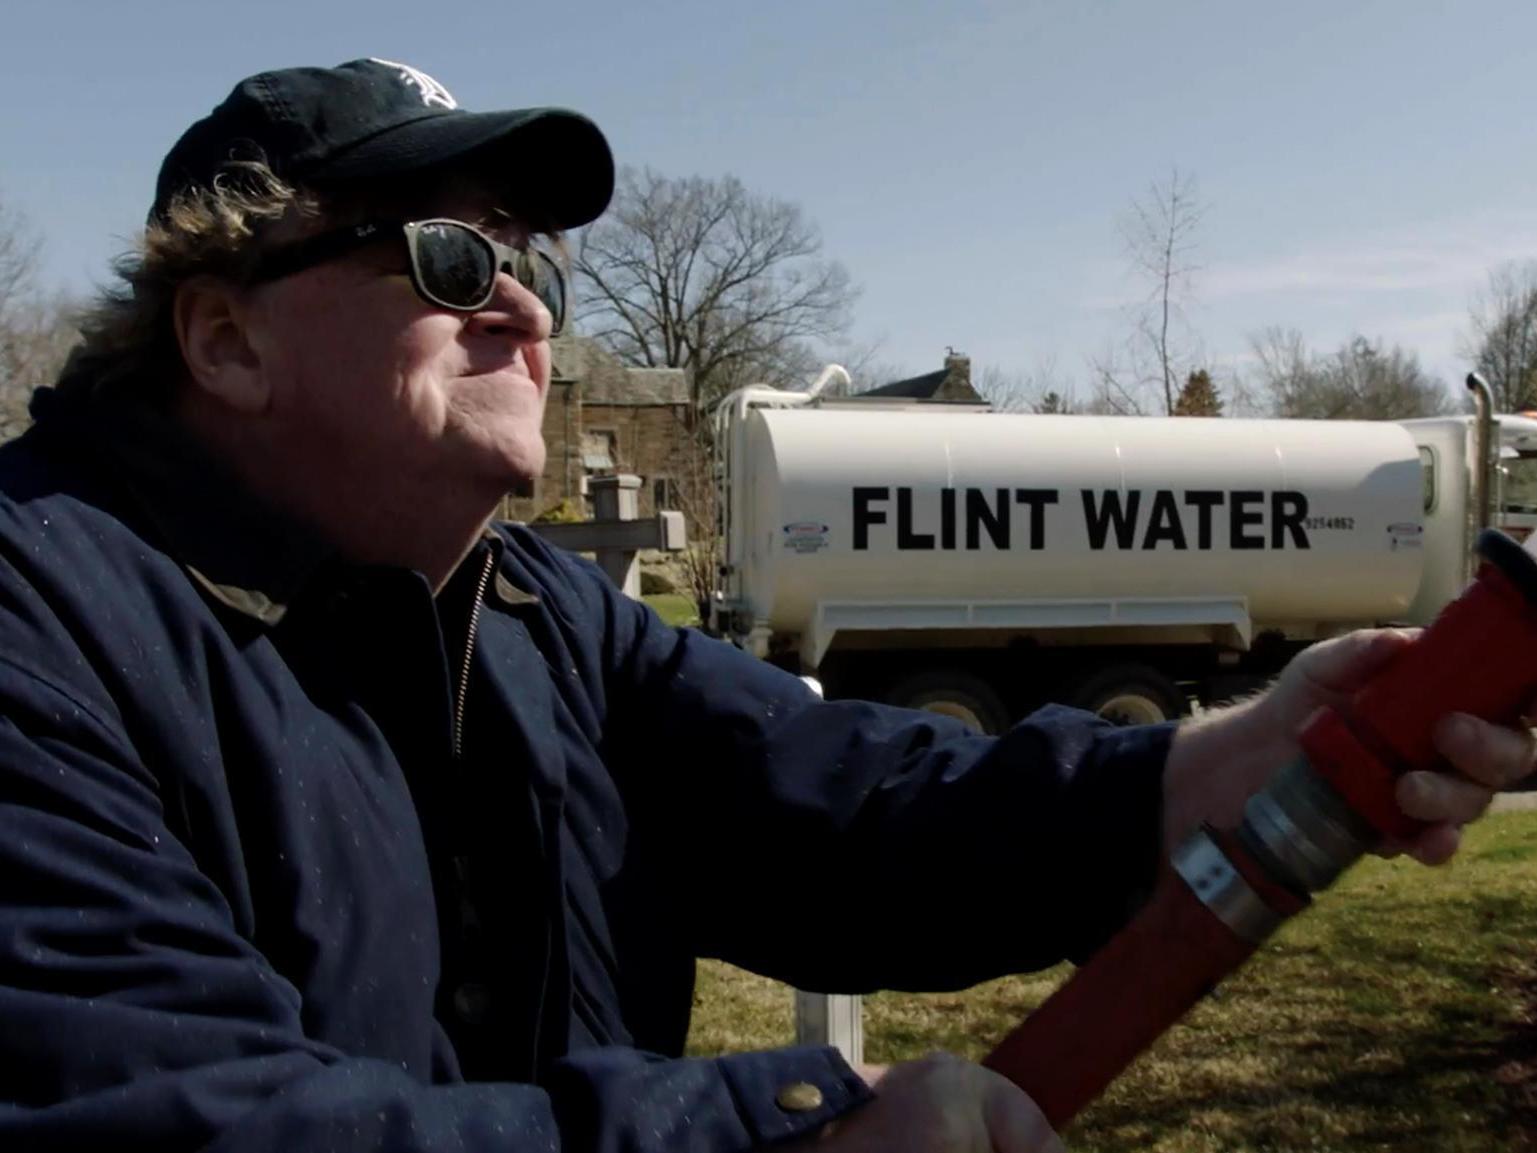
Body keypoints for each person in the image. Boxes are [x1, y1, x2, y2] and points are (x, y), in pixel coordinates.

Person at [0, 58, 1528, 1153]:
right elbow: (155, 1104)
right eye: (451, 256)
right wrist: (775, 1126)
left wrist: (1212, 764)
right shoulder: (41, 621)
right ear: (224, 335)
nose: (524, 306)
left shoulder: (529, 610)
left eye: (531, 264)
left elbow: (849, 809)